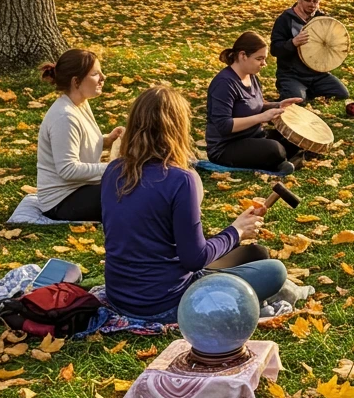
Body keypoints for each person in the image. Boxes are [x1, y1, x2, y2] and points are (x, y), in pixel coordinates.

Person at [101, 85, 287, 318]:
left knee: (257, 253)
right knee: (274, 271)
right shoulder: (182, 180)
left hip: (119, 296)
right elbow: (194, 259)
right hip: (167, 302)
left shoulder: (113, 170)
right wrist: (237, 231)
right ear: (178, 127)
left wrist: (234, 234)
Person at [35, 49, 124, 221]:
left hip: (80, 189)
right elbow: (68, 170)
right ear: (76, 81)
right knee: (134, 193)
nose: (103, 78)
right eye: (96, 74)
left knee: (136, 189)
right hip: (61, 201)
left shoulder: (80, 104)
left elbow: (77, 143)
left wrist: (107, 140)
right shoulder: (65, 116)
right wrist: (114, 167)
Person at [206, 31, 304, 174]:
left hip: (254, 137)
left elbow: (254, 105)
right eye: (259, 58)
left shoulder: (251, 77)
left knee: (293, 139)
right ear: (242, 55)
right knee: (275, 150)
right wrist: (262, 117)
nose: (264, 63)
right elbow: (223, 125)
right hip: (226, 147)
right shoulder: (224, 84)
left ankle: (283, 164)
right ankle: (283, 163)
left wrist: (278, 105)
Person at [270, 0, 349, 102]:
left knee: (341, 93)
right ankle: (293, 90)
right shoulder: (285, 19)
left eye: (316, 1)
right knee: (297, 101)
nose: (312, 4)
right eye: (308, 0)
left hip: (317, 74)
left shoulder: (321, 19)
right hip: (291, 74)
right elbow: (275, 49)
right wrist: (293, 43)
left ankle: (305, 92)